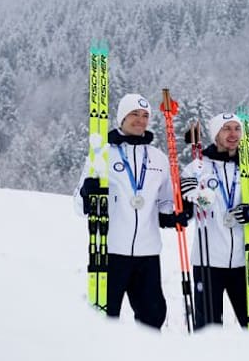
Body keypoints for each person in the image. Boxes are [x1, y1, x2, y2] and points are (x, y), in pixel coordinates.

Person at [75, 93, 188, 329]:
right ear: (122, 118)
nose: (140, 120)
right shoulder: (102, 154)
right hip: (111, 251)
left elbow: (165, 202)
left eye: (145, 115)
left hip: (147, 255)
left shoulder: (158, 158)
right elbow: (78, 205)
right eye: (134, 114)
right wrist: (88, 191)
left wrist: (175, 215)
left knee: (153, 317)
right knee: (105, 319)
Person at [178, 112, 249, 329]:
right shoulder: (197, 167)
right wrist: (190, 196)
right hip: (208, 261)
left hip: (245, 260)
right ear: (215, 134)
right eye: (226, 129)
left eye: (237, 129)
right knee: (208, 328)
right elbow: (186, 212)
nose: (233, 134)